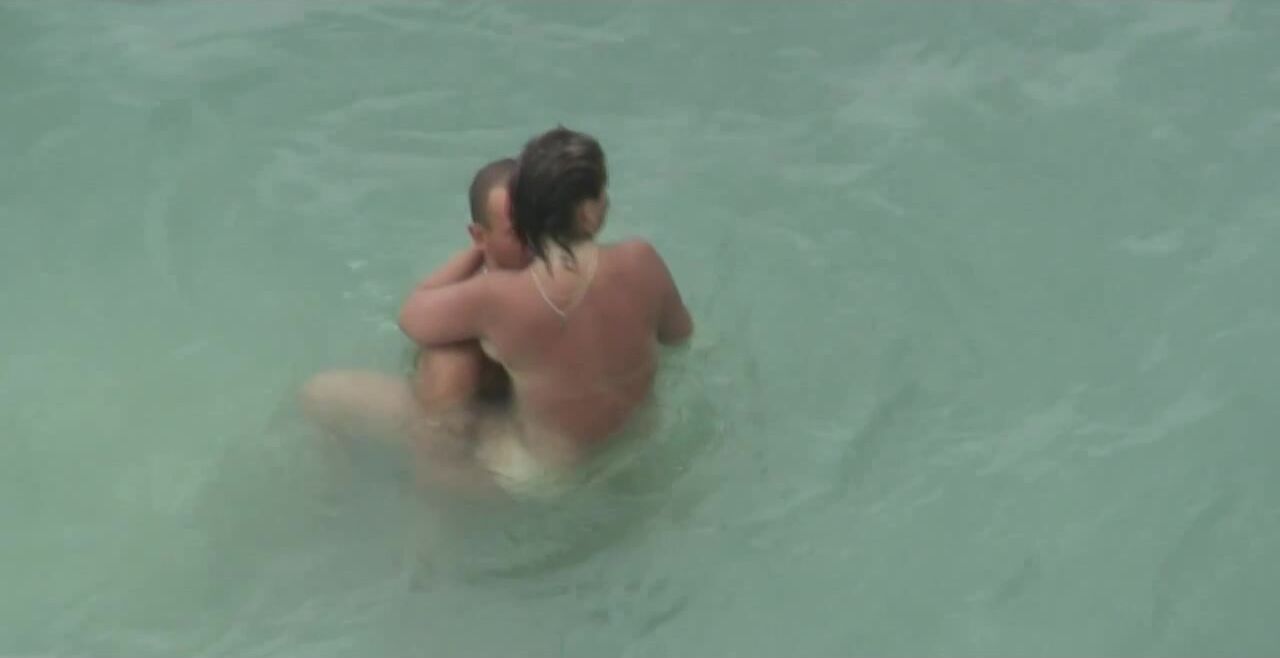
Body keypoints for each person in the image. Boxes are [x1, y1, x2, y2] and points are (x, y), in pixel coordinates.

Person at [398, 126, 693, 498]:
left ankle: (432, 509)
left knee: (348, 392)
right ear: (588, 213)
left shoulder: (497, 296)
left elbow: (412, 316)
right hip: (639, 440)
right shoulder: (642, 259)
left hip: (547, 476)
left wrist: (479, 249)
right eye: (602, 191)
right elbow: (680, 337)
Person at [300, 158, 530, 496]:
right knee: (317, 396)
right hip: (468, 427)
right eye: (517, 232)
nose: (536, 240)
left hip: (502, 421)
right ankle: (339, 494)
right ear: (480, 237)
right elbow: (436, 475)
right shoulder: (458, 340)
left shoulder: (556, 280)